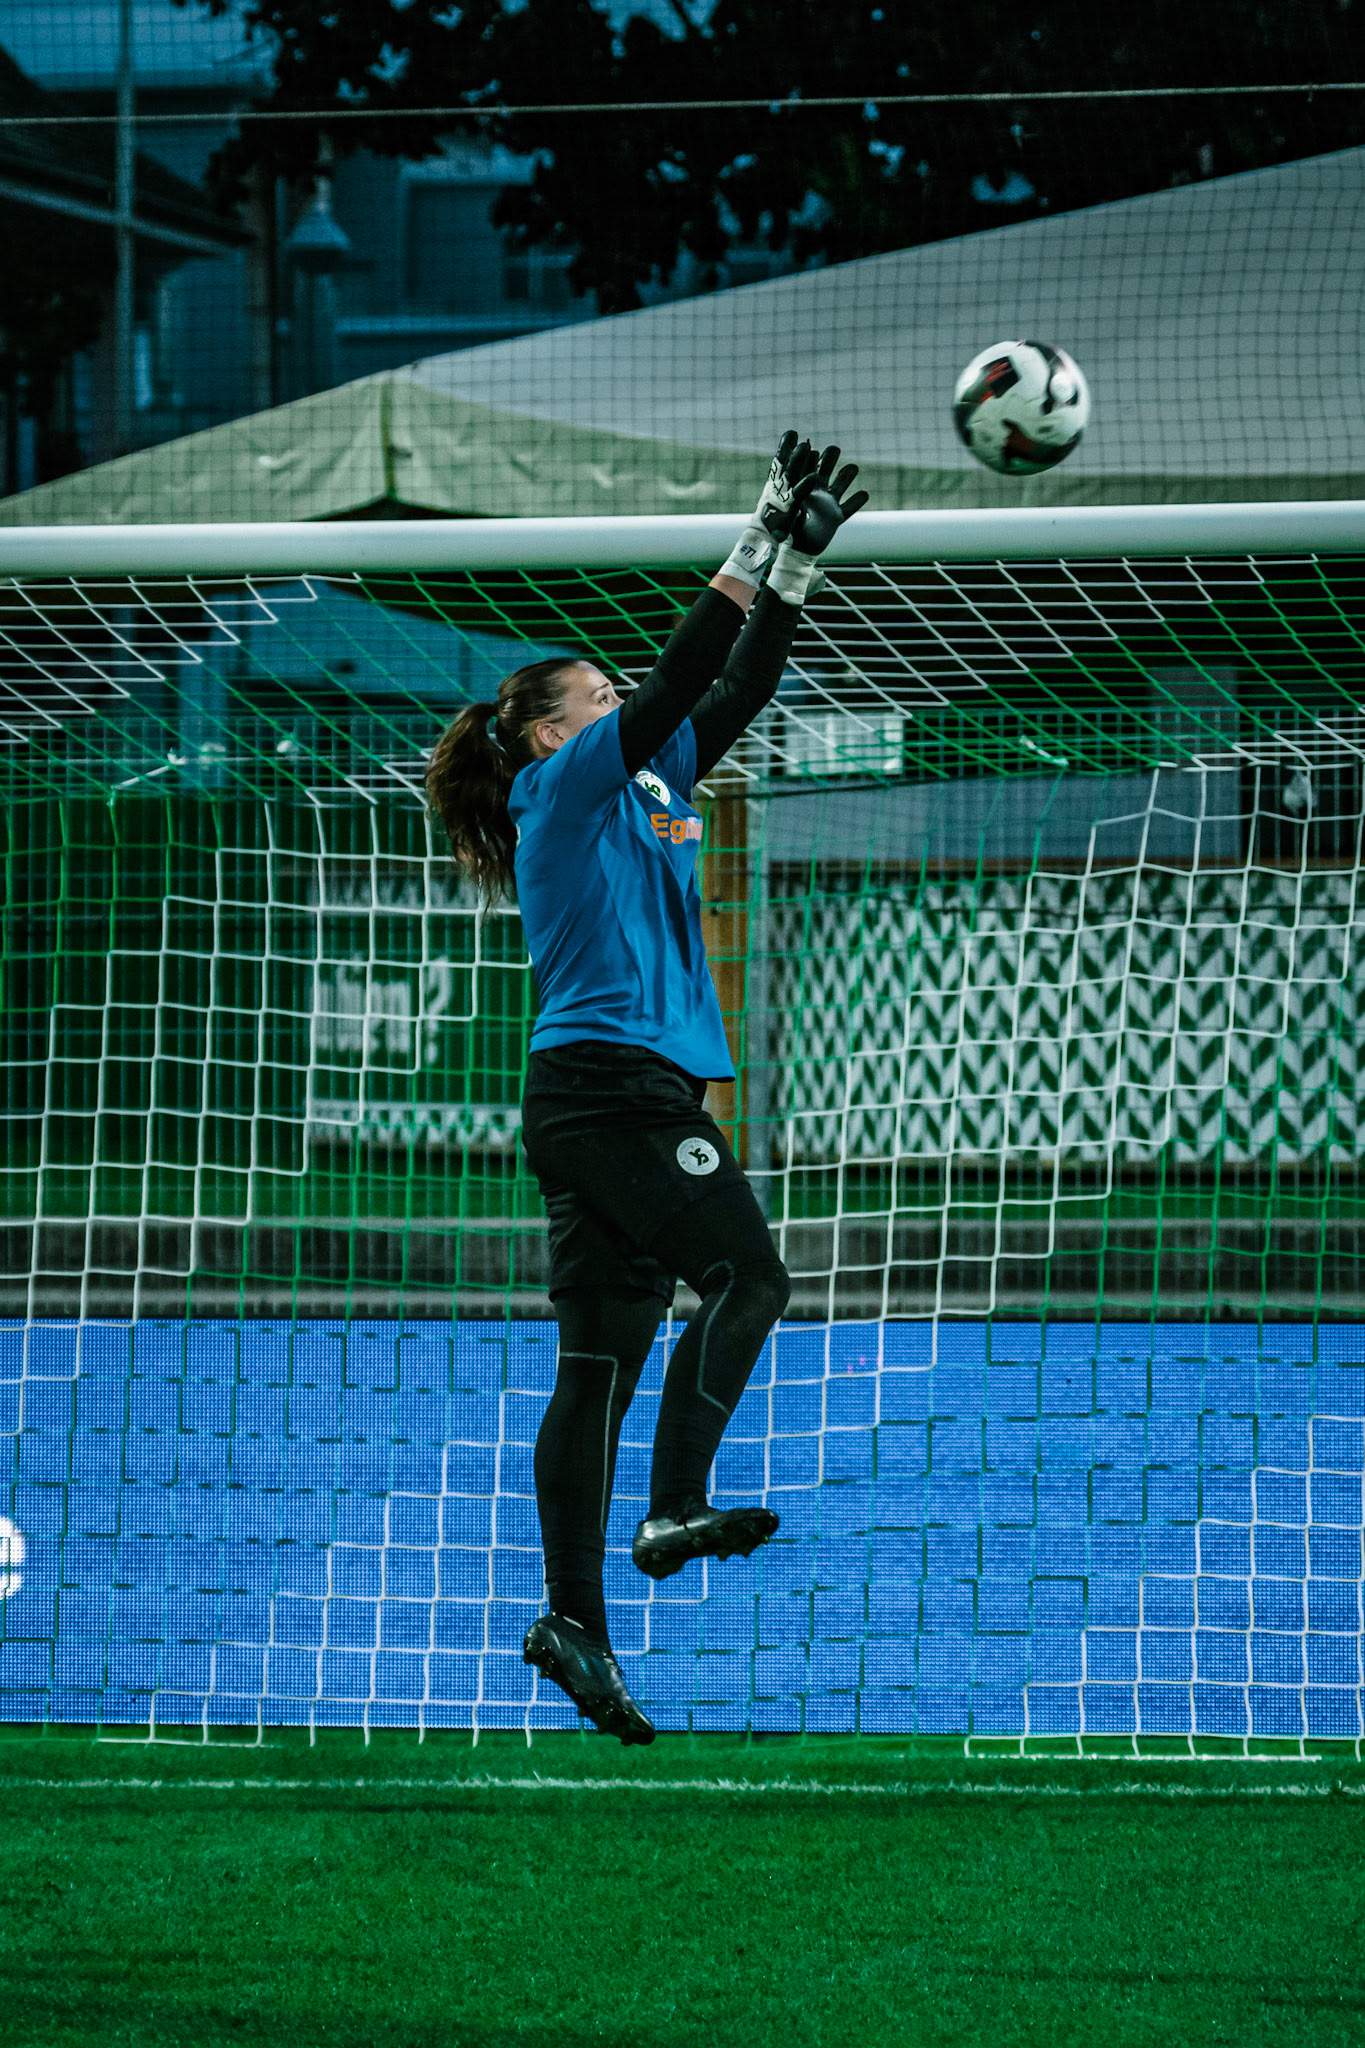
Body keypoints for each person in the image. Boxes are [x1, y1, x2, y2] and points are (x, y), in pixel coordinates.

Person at [426, 434, 866, 1744]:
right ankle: (676, 1501)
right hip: (611, 1093)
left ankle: (572, 1621)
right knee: (752, 1276)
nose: (627, 704)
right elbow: (682, 674)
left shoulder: (653, 780)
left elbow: (729, 686)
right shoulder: (561, 787)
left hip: (609, 1097)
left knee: (597, 1365)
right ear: (553, 729)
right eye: (600, 694)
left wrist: (791, 557)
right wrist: (749, 527)